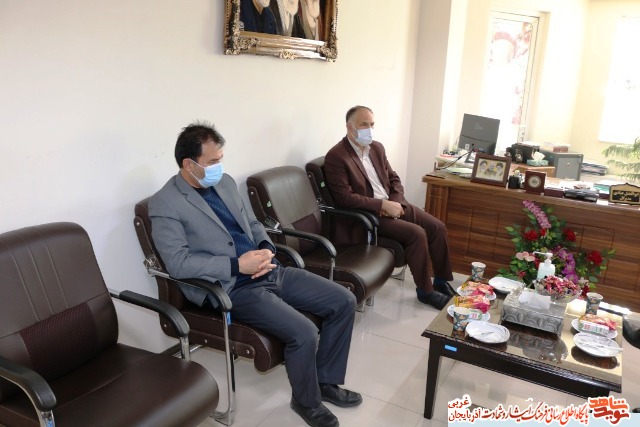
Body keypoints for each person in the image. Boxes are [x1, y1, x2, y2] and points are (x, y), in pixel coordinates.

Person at [149, 122, 361, 427]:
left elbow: (252, 223)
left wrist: (265, 248)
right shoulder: (166, 203)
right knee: (303, 332)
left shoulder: (224, 184)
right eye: (212, 161)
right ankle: (306, 402)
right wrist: (237, 265)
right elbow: (178, 263)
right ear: (188, 164)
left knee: (343, 301)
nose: (219, 167)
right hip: (231, 287)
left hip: (268, 269)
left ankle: (325, 381)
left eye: (221, 159)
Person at [324, 106, 455, 310]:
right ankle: (425, 291)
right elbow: (344, 198)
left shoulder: (377, 148)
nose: (369, 129)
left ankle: (440, 280)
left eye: (372, 124)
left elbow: (394, 179)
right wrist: (382, 206)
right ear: (349, 127)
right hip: (368, 215)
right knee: (417, 234)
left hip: (392, 203)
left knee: (437, 227)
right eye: (364, 124)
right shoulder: (337, 156)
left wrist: (396, 203)